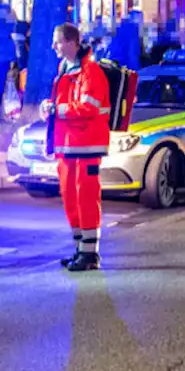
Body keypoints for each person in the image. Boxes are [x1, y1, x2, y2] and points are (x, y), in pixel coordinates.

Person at [43, 23, 111, 272]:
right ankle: (80, 249)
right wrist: (48, 106)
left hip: (86, 146)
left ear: (72, 42)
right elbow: (63, 102)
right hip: (68, 145)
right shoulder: (65, 69)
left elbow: (89, 108)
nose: (54, 46)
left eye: (58, 41)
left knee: (86, 198)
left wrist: (57, 110)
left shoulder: (90, 71)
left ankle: (90, 254)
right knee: (71, 198)